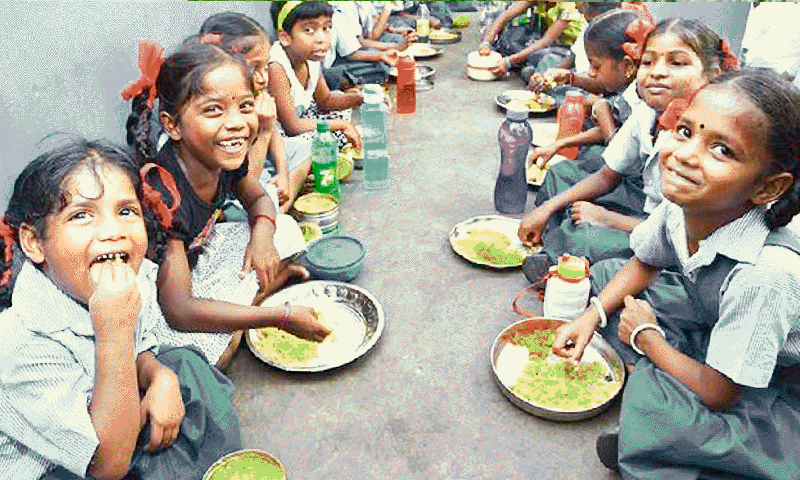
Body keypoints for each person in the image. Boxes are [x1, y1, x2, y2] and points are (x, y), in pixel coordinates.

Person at [554, 69, 800, 479]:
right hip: (714, 323)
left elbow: (721, 393)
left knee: (665, 403)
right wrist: (590, 316)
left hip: (773, 383)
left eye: (722, 150)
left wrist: (648, 339)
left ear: (768, 188)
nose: (684, 155)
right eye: (685, 132)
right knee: (610, 274)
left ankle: (657, 435)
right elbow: (646, 262)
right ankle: (651, 404)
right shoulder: (686, 203)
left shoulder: (766, 273)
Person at [0, 135, 242, 479]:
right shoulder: (15, 346)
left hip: (113, 409)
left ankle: (227, 467)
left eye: (126, 211)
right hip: (60, 466)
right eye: (82, 215)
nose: (113, 231)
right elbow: (106, 466)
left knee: (184, 363)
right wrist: (113, 328)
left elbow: (139, 349)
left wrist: (160, 378)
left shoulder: (130, 274)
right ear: (34, 242)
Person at [123, 39, 332, 368]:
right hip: (163, 298)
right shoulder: (162, 193)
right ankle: (258, 303)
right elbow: (178, 310)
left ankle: (248, 305)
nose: (236, 122)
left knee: (286, 229)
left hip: (200, 258)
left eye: (245, 106)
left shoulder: (226, 157)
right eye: (213, 110)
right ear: (172, 125)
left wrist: (262, 238)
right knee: (208, 352)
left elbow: (259, 199)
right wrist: (279, 317)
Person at [518, 18, 739, 276]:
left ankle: (563, 255)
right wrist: (546, 208)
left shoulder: (704, 140)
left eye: (677, 63)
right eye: (648, 62)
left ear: (712, 76)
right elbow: (607, 175)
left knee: (586, 237)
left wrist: (606, 219)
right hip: (645, 210)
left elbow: (681, 233)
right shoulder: (648, 112)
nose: (656, 72)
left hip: (676, 242)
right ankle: (556, 245)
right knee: (562, 176)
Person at [198, 12, 307, 213]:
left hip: (259, 165)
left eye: (265, 67)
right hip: (238, 185)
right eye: (254, 67)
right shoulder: (221, 115)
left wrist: (283, 174)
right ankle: (273, 215)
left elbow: (275, 132)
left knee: (306, 148)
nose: (263, 78)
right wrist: (263, 132)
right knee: (239, 211)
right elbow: (244, 183)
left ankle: (278, 205)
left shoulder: (256, 92)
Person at [528, 9, 646, 174]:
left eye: (596, 66)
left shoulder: (644, 100)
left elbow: (618, 151)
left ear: (627, 66)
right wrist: (558, 145)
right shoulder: (629, 86)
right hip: (616, 141)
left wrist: (601, 107)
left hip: (635, 179)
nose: (591, 72)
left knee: (585, 160)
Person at [269, 1, 363, 153]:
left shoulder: (310, 57)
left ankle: (333, 149)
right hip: (284, 132)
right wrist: (341, 125)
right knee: (313, 140)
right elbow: (291, 127)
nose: (322, 38)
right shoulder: (276, 66)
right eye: (309, 30)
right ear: (285, 37)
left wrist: (361, 98)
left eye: (327, 28)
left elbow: (325, 101)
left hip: (303, 117)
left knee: (339, 101)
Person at [528, 1, 623, 95]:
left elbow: (602, 85)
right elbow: (574, 55)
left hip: (592, 88)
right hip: (578, 76)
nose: (578, 9)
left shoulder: (613, 36)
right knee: (538, 70)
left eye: (581, 4)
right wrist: (550, 75)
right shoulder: (589, 22)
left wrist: (569, 78)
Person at [478, 2, 585, 84]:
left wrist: (509, 61)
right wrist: (486, 42)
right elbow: (505, 16)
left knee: (547, 61)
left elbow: (545, 41)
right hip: (547, 44)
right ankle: (527, 66)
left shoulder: (569, 6)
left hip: (568, 50)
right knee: (510, 38)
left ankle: (532, 72)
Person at [322, 1, 401, 90]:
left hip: (346, 54)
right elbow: (354, 50)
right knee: (380, 66)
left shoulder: (364, 4)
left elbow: (371, 33)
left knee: (394, 40)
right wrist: (385, 53)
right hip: (334, 65)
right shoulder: (341, 10)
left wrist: (395, 33)